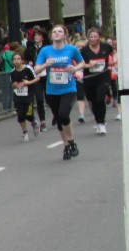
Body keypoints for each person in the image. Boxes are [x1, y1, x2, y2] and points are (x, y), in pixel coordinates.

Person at [34, 23, 85, 161]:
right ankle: (66, 145)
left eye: (60, 31)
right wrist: (46, 64)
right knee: (58, 119)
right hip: (52, 90)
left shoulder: (71, 49)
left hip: (69, 88)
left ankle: (72, 142)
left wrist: (75, 69)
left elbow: (82, 63)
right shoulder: (45, 50)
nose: (57, 33)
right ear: (51, 36)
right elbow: (36, 69)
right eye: (54, 32)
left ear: (65, 35)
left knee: (63, 115)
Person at [81, 27, 113, 134]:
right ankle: (98, 121)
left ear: (99, 37)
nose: (93, 39)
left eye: (95, 36)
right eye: (91, 37)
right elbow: (80, 64)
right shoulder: (84, 51)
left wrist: (114, 60)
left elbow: (114, 53)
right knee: (93, 101)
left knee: (100, 99)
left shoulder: (106, 46)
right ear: (88, 38)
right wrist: (88, 65)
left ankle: (102, 123)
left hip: (103, 77)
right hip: (89, 79)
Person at [8, 53, 41, 140]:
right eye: (14, 59)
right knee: (20, 115)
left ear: (22, 60)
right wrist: (14, 85)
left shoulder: (28, 69)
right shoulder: (12, 72)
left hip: (28, 96)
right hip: (18, 96)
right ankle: (25, 132)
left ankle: (34, 123)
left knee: (28, 114)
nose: (16, 61)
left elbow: (37, 78)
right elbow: (12, 84)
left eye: (18, 59)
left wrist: (28, 82)